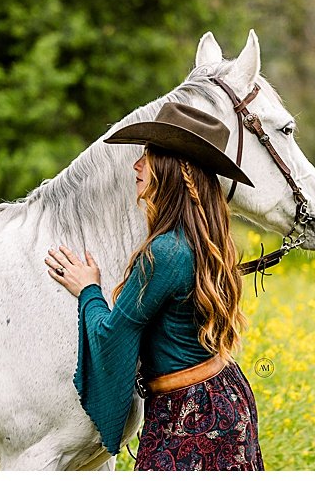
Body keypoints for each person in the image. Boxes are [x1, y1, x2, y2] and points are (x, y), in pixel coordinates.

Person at [45, 102, 264, 470]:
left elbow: (112, 336)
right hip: (226, 397)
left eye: (148, 157)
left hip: (189, 415)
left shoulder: (164, 253)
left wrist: (88, 290)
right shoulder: (207, 238)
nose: (137, 166)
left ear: (175, 170)